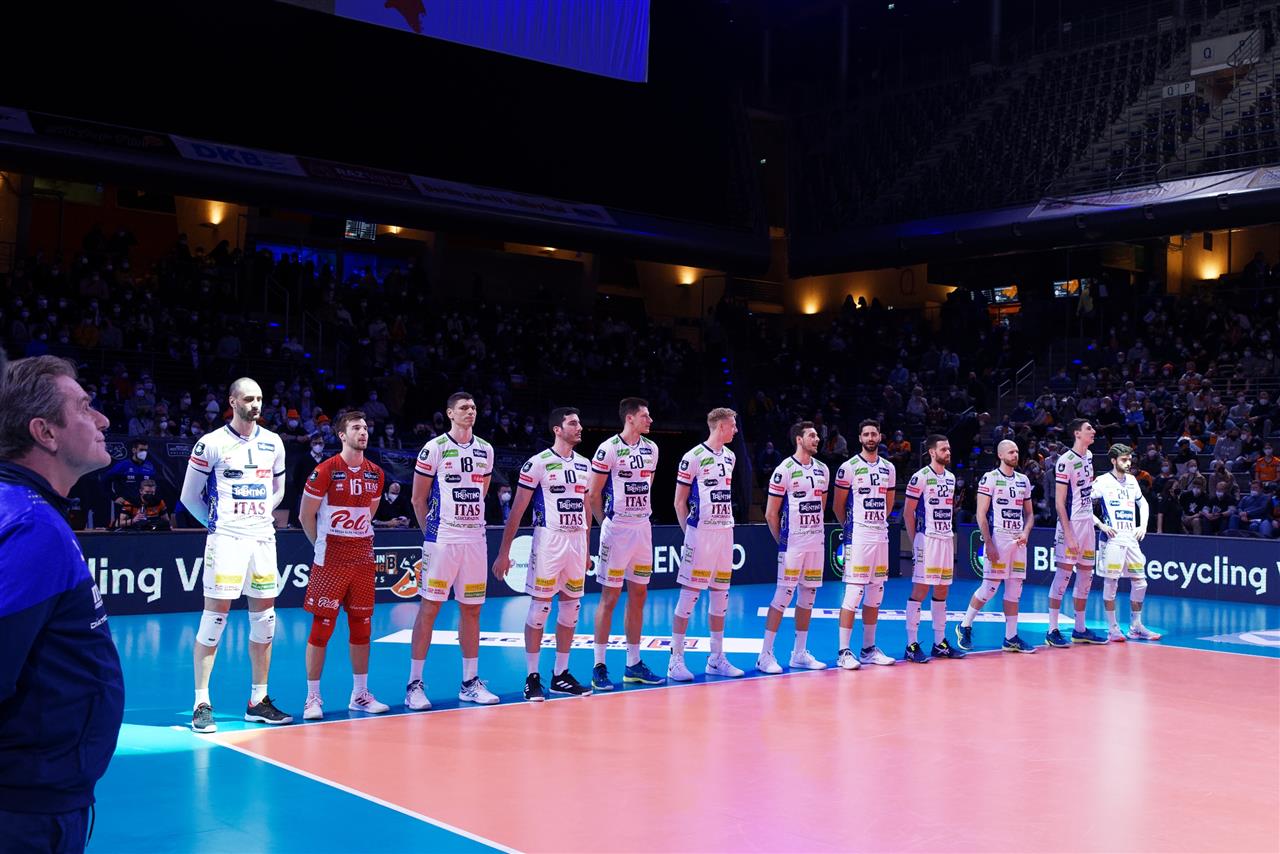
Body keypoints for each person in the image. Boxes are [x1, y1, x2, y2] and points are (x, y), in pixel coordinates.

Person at [0, 355, 124, 854]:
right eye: (85, 407)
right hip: (27, 813)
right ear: (46, 433)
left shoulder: (19, 508)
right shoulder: (33, 527)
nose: (103, 420)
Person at [180, 377, 292, 732]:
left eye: (259, 398)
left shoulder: (273, 442)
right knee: (214, 620)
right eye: (248, 399)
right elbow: (189, 497)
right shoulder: (210, 443)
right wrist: (217, 525)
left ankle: (258, 701)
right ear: (232, 402)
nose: (255, 404)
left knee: (265, 621)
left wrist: (261, 514)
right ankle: (201, 703)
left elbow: (278, 490)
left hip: (262, 539)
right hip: (226, 540)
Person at [492, 407, 594, 701]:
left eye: (579, 422)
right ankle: (532, 676)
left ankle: (561, 674)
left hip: (576, 541)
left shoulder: (585, 465)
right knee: (540, 609)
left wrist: (587, 549)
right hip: (549, 540)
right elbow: (517, 511)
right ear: (557, 429)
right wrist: (504, 552)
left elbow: (586, 510)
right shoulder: (537, 464)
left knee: (572, 609)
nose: (579, 427)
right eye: (573, 423)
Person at [406, 393, 499, 710]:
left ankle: (470, 683)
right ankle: (414, 685)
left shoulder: (486, 450)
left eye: (473, 407)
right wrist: (431, 535)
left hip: (475, 540)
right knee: (429, 609)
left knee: (472, 610)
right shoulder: (434, 448)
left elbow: (481, 493)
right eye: (464, 408)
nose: (470, 411)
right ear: (450, 413)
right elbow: (418, 499)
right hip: (442, 539)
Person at [298, 411, 391, 720]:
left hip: (363, 557)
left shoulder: (376, 473)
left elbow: (369, 513)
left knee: (362, 628)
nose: (363, 432)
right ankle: (313, 698)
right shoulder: (325, 470)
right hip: (331, 560)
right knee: (321, 628)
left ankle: (360, 695)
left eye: (365, 427)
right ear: (341, 435)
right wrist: (320, 545)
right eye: (355, 428)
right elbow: (305, 515)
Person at [587, 398, 665, 691]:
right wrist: (607, 524)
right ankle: (599, 666)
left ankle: (633, 664)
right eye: (645, 416)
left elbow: (647, 485)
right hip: (617, 529)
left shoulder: (652, 449)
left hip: (642, 528)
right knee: (609, 597)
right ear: (630, 418)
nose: (650, 420)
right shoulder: (608, 448)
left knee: (639, 594)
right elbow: (593, 494)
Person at [668, 408, 743, 682]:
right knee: (689, 598)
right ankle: (675, 660)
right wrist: (690, 535)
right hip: (701, 534)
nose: (736, 430)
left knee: (721, 596)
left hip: (725, 533)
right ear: (721, 426)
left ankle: (716, 658)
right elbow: (679, 502)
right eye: (732, 426)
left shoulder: (731, 457)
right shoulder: (693, 457)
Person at [756, 421, 830, 674]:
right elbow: (770, 514)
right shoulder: (784, 470)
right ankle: (765, 655)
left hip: (815, 542)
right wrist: (784, 542)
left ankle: (799, 653)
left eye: (817, 435)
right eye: (812, 435)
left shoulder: (822, 469)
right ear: (799, 439)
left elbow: (821, 507)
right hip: (793, 544)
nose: (817, 439)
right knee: (783, 596)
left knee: (808, 597)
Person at [956, 440, 1036, 653]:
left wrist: (1026, 532)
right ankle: (964, 625)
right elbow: (981, 514)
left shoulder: (1023, 480)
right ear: (1000, 455)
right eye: (1011, 452)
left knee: (1014, 591)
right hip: (999, 539)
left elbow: (1030, 514)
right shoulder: (990, 478)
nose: (1015, 455)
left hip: (1018, 541)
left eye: (1017, 451)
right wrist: (989, 543)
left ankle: (1010, 637)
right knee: (989, 589)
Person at [831, 419, 897, 669]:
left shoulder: (889, 468)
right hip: (858, 537)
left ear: (880, 437)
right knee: (853, 594)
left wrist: (876, 523)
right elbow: (838, 506)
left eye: (874, 434)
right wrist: (851, 528)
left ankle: (868, 649)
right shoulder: (848, 467)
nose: (870, 438)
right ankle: (843, 652)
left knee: (876, 594)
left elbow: (889, 504)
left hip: (880, 536)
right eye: (866, 434)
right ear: (860, 438)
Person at [900, 435, 965, 663]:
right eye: (943, 449)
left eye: (949, 449)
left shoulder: (951, 478)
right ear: (931, 452)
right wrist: (916, 540)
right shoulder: (920, 477)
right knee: (920, 590)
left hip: (946, 538)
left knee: (942, 590)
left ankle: (939, 643)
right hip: (926, 540)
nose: (948, 452)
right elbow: (907, 513)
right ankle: (911, 645)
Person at [1046, 419, 1106, 647]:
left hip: (1087, 523)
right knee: (1063, 576)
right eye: (1089, 428)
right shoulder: (1065, 461)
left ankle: (1080, 629)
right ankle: (1052, 630)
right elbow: (1059, 503)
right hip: (1071, 525)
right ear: (1077, 433)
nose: (1094, 431)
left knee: (1086, 576)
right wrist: (1069, 534)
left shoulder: (1089, 456)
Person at [1092, 444, 1161, 642]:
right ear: (1113, 460)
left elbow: (1143, 503)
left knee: (1141, 583)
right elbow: (1083, 504)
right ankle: (1112, 628)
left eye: (1130, 459)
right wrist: (1100, 525)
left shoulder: (1132, 480)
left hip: (1131, 538)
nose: (1128, 462)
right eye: (1124, 459)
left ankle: (1136, 627)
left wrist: (1143, 526)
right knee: (1111, 583)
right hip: (1112, 539)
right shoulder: (1102, 481)